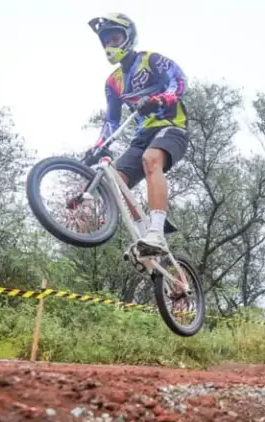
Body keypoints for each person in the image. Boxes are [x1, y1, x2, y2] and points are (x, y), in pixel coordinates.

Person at [83, 12, 189, 256]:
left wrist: (161, 98)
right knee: (117, 183)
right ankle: (144, 238)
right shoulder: (113, 82)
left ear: (129, 37)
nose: (111, 45)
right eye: (106, 41)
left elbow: (179, 80)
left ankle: (157, 232)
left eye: (115, 38)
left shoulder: (151, 60)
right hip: (142, 134)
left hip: (171, 124)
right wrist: (99, 145)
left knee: (151, 159)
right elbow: (111, 119)